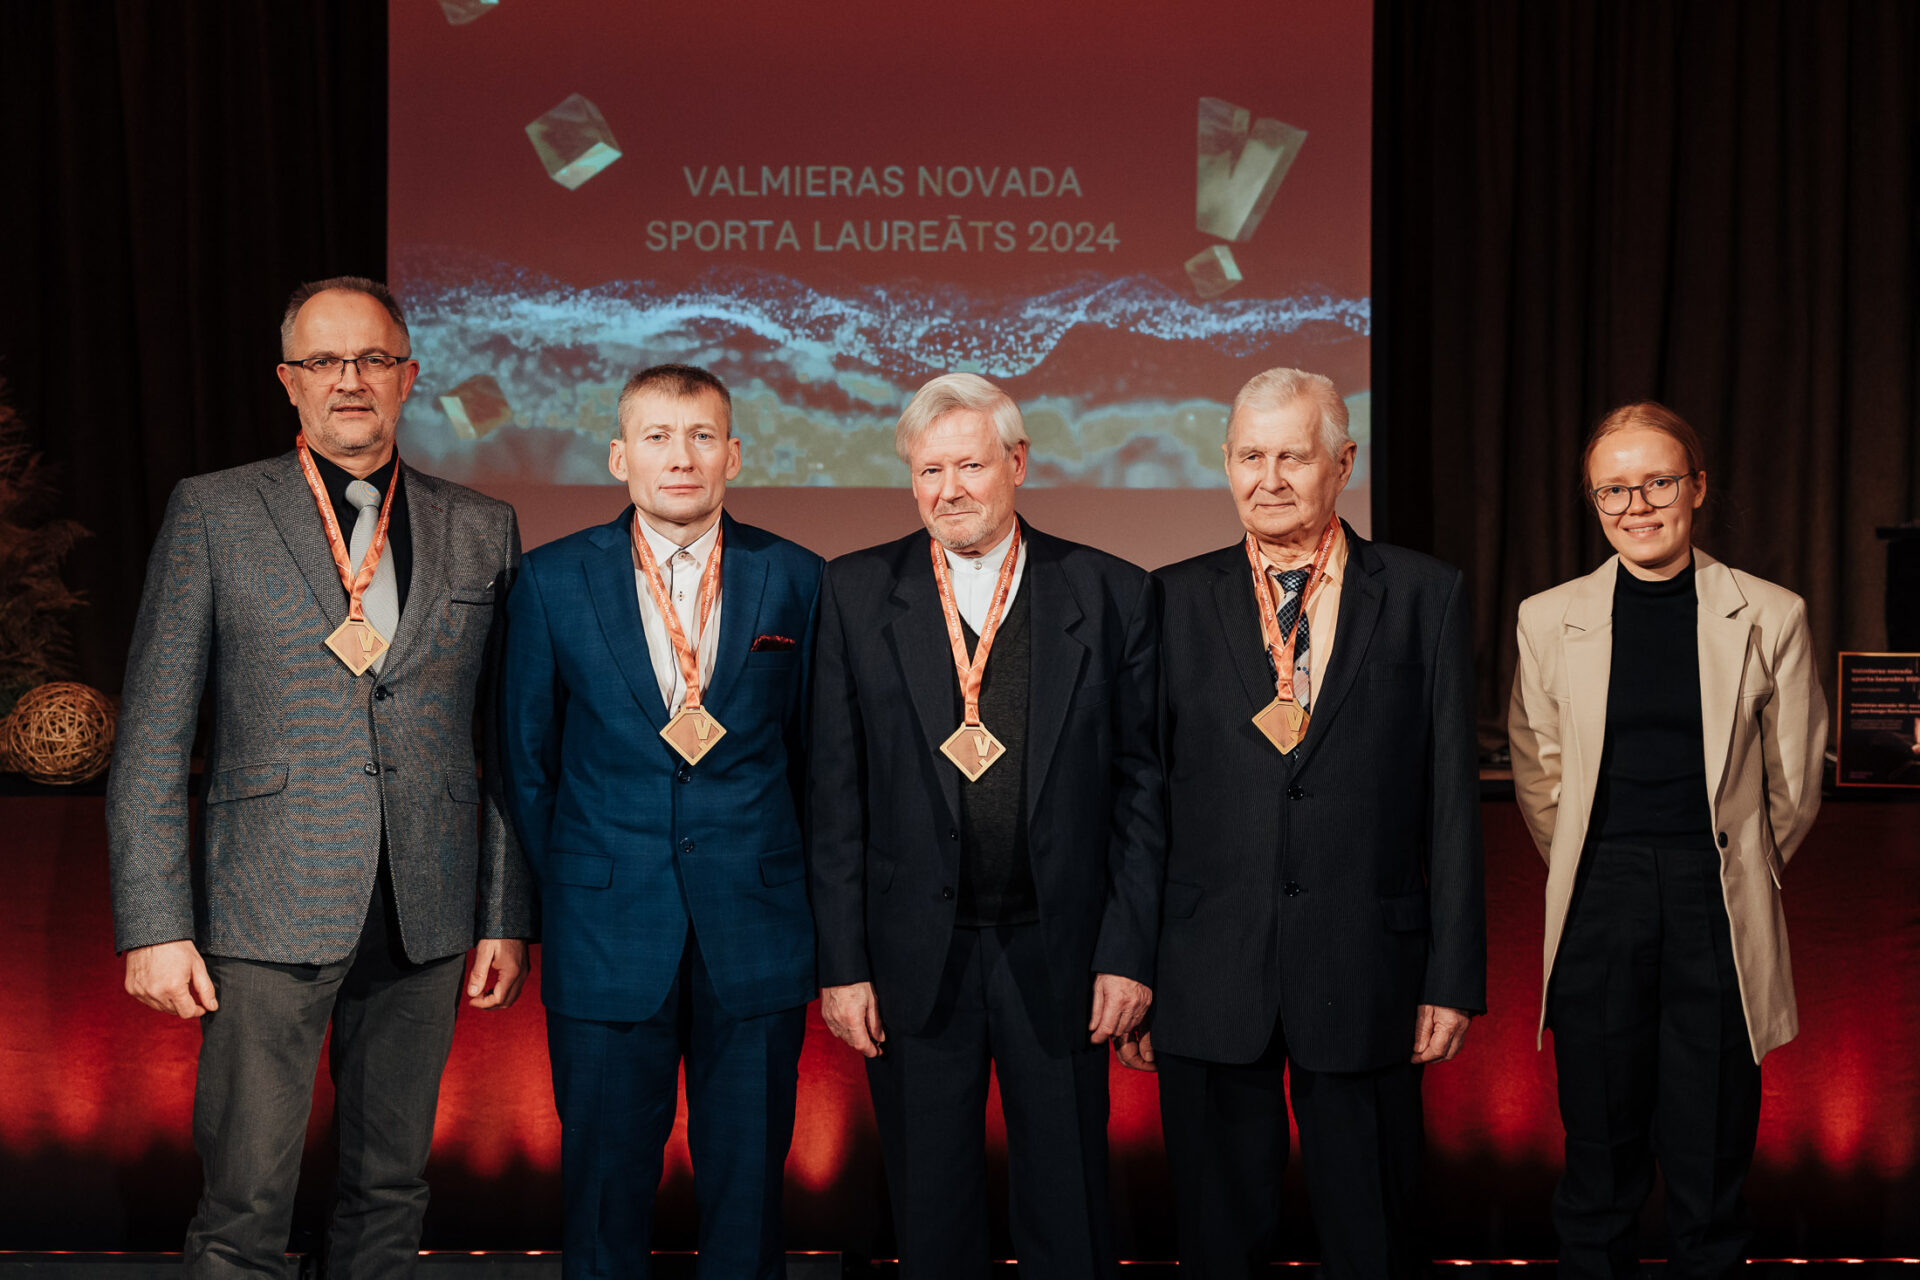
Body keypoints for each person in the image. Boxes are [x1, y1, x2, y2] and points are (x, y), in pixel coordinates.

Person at [106, 276, 533, 1277]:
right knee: (244, 1199)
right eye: (326, 361)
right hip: (266, 902)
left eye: (373, 359)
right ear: (288, 380)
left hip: (427, 908)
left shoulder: (482, 524)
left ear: (409, 378)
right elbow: (155, 734)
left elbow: (508, 742)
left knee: (390, 1193)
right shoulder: (215, 510)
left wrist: (504, 912)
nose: (351, 380)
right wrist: (154, 925)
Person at [808, 373, 1162, 1279]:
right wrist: (842, 966)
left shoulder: (1110, 591)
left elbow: (1141, 791)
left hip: (1062, 952)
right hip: (912, 958)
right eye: (929, 471)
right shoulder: (853, 592)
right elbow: (835, 793)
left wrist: (1127, 953)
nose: (950, 490)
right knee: (930, 1216)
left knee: (1070, 1210)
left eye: (970, 465)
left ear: (1018, 463)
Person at [1136, 366, 1485, 1280]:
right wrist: (1132, 966)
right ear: (1225, 463)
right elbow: (1142, 802)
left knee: (1374, 1242)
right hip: (1205, 976)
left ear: (1344, 463)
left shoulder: (1425, 595)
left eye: (1293, 456)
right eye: (1250, 456)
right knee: (1218, 1247)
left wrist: (1452, 979)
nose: (1269, 479)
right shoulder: (1167, 600)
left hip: (1368, 974)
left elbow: (1450, 804)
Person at [499, 364, 822, 1280]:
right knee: (603, 1197)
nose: (681, 457)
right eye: (657, 437)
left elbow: (816, 761)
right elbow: (527, 762)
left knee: (749, 1196)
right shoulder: (551, 579)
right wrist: (569, 892)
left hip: (755, 933)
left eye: (702, 437)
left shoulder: (797, 577)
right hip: (605, 931)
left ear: (734, 456)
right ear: (619, 456)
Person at [1508, 401, 1826, 1279]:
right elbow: (1539, 774)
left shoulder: (1771, 614)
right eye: (1613, 489)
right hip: (1599, 893)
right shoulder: (1547, 617)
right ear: (1594, 500)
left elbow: (1793, 783)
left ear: (1697, 488)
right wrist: (1590, 862)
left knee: (1711, 1150)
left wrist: (1741, 866)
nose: (1637, 505)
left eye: (1658, 482)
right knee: (1598, 1150)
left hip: (1715, 895)